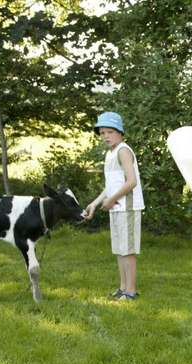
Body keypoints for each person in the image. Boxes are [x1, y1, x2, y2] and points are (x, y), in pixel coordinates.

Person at [83, 111, 145, 301]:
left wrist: (111, 200)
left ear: (119, 132)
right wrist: (94, 203)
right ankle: (123, 288)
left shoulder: (123, 151)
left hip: (127, 207)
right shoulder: (110, 154)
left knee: (128, 251)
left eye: (110, 132)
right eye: (102, 133)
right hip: (116, 207)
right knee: (119, 250)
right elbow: (110, 187)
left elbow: (131, 181)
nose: (106, 136)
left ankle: (131, 292)